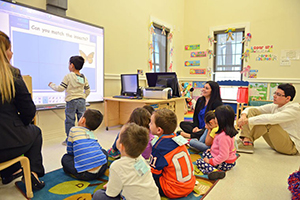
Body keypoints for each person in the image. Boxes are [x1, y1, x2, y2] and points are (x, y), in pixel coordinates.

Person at [0, 31, 45, 189]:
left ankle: (8, 172)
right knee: (35, 132)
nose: (12, 53)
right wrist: (21, 124)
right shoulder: (12, 75)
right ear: (3, 52)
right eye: (10, 49)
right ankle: (33, 175)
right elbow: (28, 111)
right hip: (7, 143)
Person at [93, 123, 160, 200]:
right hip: (154, 197)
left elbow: (111, 194)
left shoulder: (116, 166)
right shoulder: (141, 159)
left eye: (118, 137)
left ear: (121, 146)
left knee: (98, 195)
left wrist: (111, 186)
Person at [237, 83, 300, 155]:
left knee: (268, 122)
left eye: (278, 94)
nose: (274, 96)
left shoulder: (294, 108)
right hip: (276, 143)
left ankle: (247, 141)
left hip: (291, 147)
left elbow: (272, 118)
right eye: (275, 93)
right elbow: (253, 109)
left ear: (288, 98)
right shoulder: (275, 106)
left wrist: (247, 121)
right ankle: (246, 138)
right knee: (253, 111)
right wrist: (243, 116)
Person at [149, 108, 196, 198]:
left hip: (173, 190)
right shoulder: (177, 137)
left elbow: (154, 173)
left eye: (151, 123)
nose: (149, 124)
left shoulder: (159, 147)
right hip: (190, 185)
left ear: (159, 130)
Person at [48, 55, 90, 145]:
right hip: (82, 101)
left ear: (72, 65)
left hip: (71, 101)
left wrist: (52, 85)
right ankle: (83, 138)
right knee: (82, 120)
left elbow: (60, 88)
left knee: (70, 121)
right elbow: (88, 90)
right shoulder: (83, 77)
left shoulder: (68, 76)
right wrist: (83, 96)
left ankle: (69, 140)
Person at [61, 109, 108, 181]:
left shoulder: (73, 130)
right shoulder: (92, 133)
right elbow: (98, 148)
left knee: (65, 158)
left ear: (82, 120)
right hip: (101, 169)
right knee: (104, 151)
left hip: (85, 174)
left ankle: (78, 170)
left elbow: (70, 150)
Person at [196, 105, 238, 180]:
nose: (214, 118)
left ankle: (214, 171)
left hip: (225, 162)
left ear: (220, 119)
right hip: (227, 159)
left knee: (199, 162)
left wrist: (210, 161)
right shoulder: (225, 131)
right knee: (205, 153)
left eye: (216, 117)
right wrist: (212, 150)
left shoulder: (223, 136)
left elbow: (224, 156)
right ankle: (212, 167)